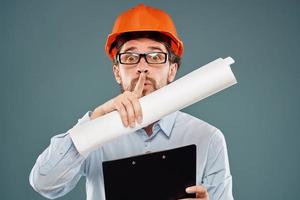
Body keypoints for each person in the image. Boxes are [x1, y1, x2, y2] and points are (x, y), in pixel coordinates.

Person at [29, 3, 234, 200]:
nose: (142, 67)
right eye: (130, 57)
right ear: (117, 72)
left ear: (172, 70)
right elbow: (44, 183)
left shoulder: (208, 138)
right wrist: (93, 122)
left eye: (155, 56)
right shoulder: (95, 134)